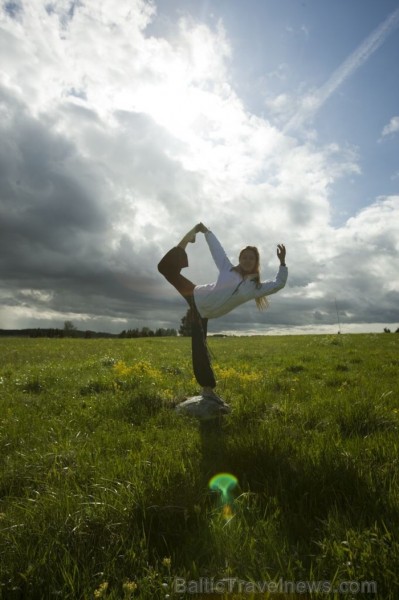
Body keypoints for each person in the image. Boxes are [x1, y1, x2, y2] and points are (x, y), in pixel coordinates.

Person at [157, 223, 287, 401]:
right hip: (195, 294)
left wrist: (282, 262)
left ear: (256, 263)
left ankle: (208, 390)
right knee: (165, 268)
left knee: (199, 349)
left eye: (251, 258)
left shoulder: (255, 288)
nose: (247, 260)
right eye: (244, 257)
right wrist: (206, 232)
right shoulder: (227, 267)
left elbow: (279, 284)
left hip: (202, 314)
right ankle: (186, 241)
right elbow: (217, 250)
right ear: (240, 259)